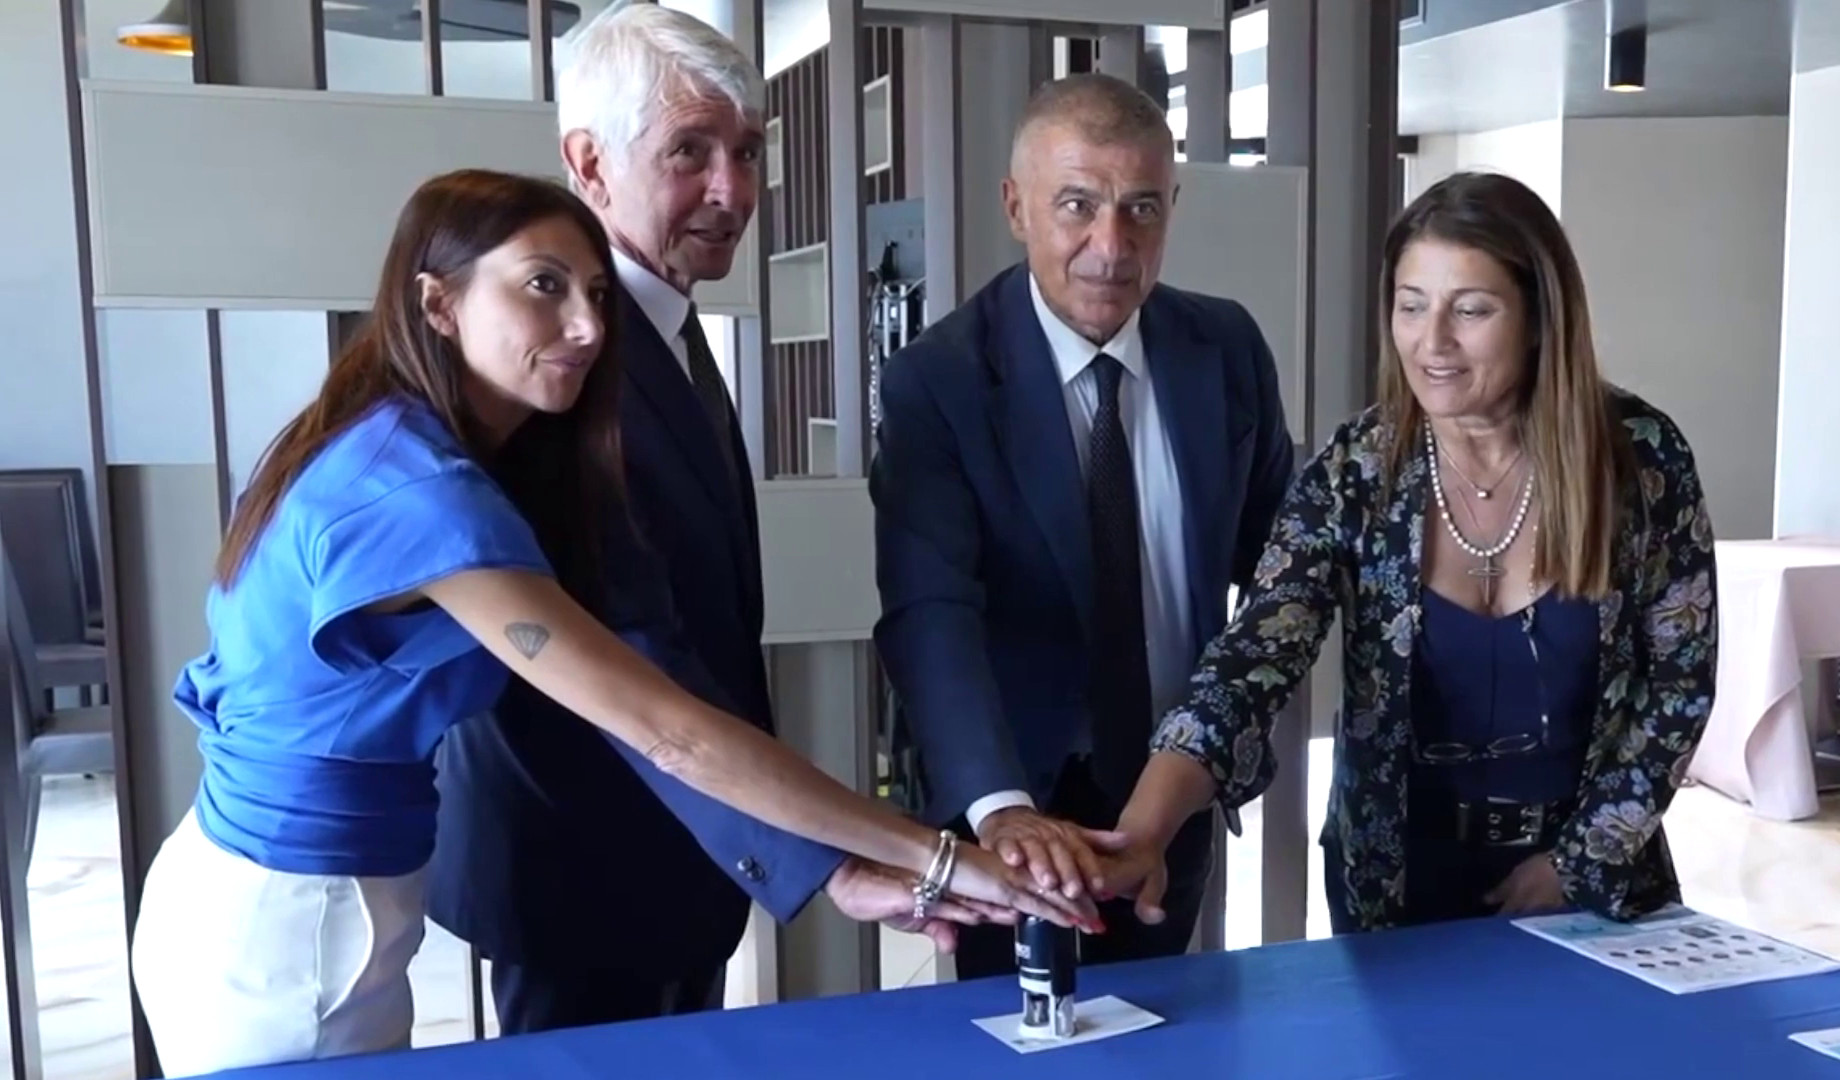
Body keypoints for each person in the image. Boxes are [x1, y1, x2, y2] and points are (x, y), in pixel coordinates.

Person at [127, 169, 1082, 1077]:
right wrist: (935, 855)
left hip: (331, 903)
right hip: (284, 925)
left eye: (593, 292)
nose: (586, 326)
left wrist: (836, 866)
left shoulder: (454, 453)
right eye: (542, 286)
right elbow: (668, 731)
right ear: (437, 303)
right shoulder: (418, 493)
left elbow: (637, 677)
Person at [422, 6, 998, 1035]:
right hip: (583, 871)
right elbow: (639, 663)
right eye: (690, 151)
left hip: (679, 864)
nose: (733, 190)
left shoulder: (668, 328)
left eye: (748, 150)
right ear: (589, 164)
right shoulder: (561, 365)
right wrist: (838, 858)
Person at [1101, 171, 1717, 934]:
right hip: (1393, 891)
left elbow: (1679, 686)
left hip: (1597, 887)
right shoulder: (1358, 469)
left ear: (1539, 317)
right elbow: (1252, 660)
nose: (1433, 342)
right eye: (1411, 304)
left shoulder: (1640, 459)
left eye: (1472, 309)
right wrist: (1145, 829)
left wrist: (1579, 864)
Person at [869, 73, 1295, 978]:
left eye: (1142, 208)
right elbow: (930, 612)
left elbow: (1282, 571)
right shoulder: (937, 382)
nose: (1112, 246)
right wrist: (1000, 808)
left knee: (1170, 1017)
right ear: (1015, 207)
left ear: (1172, 207)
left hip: (1169, 787)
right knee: (1018, 1028)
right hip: (1014, 802)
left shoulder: (1227, 351)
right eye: (1077, 206)